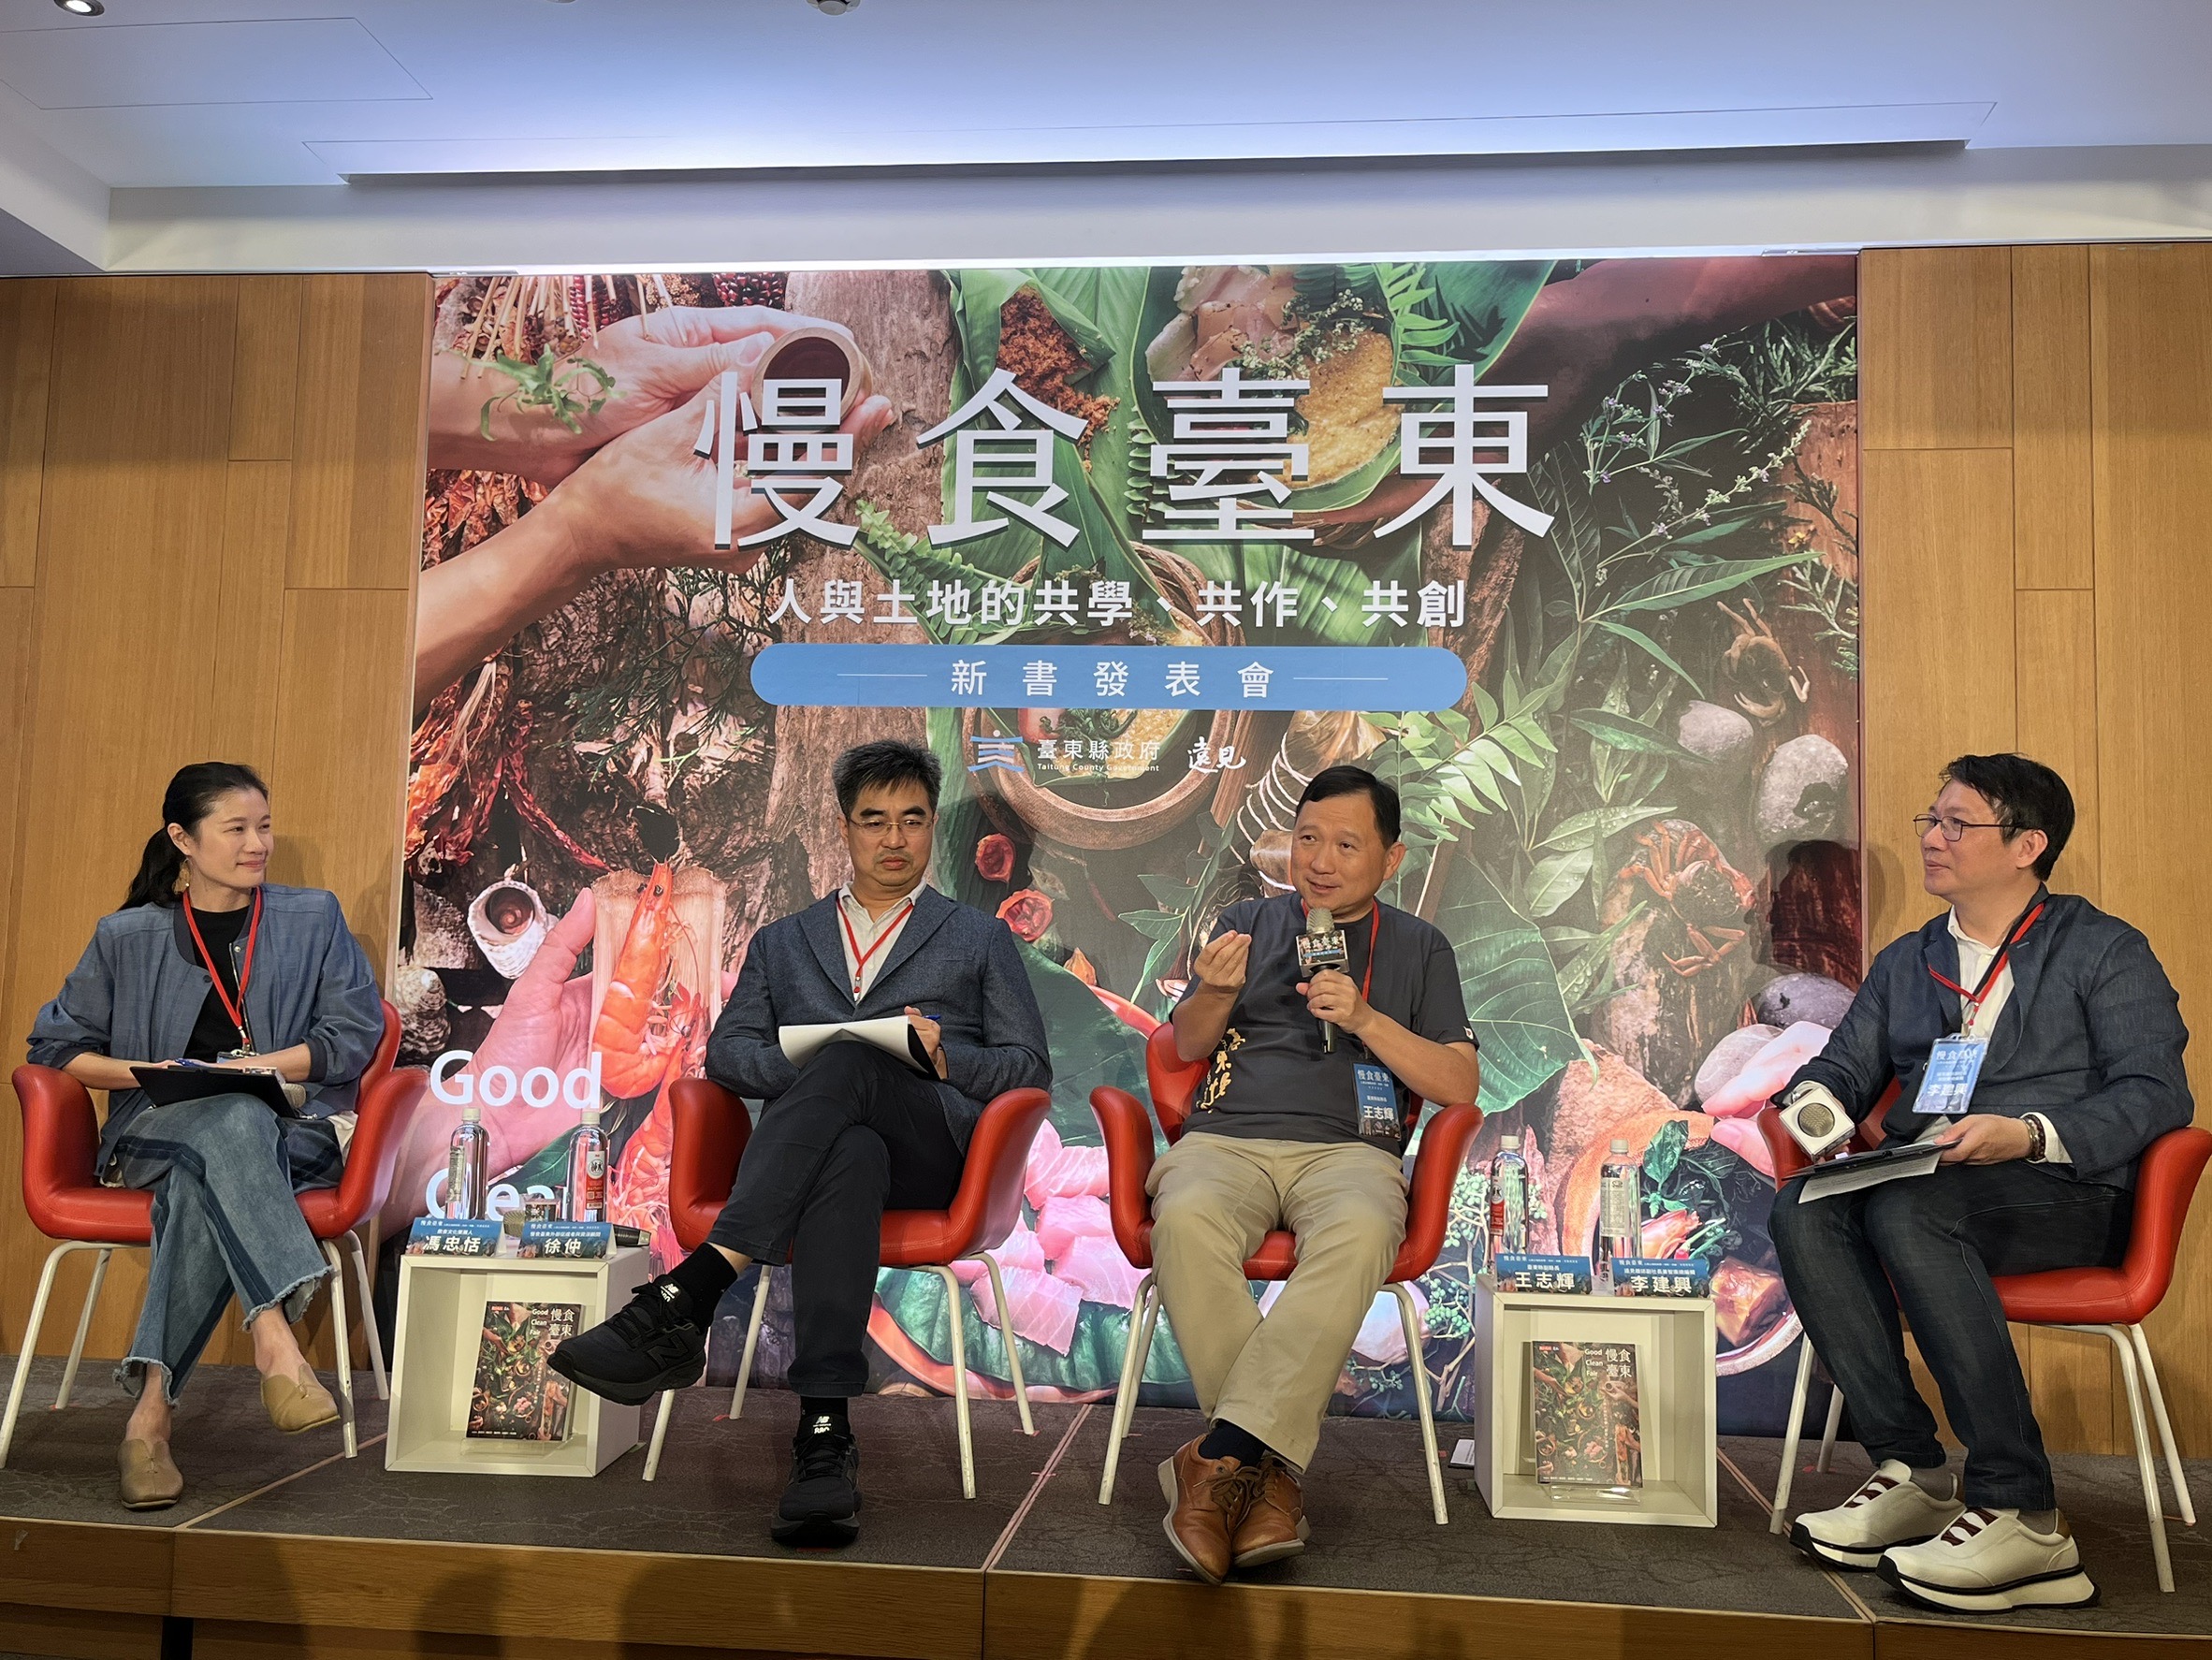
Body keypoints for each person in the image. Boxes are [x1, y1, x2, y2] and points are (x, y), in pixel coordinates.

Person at [551, 739, 1051, 1544]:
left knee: (856, 1064)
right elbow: (729, 1056)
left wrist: (944, 1057)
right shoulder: (784, 942)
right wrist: (808, 1057)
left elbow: (1028, 1065)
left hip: (931, 1154)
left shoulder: (977, 938)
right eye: (874, 820)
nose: (894, 839)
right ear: (845, 828)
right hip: (824, 1161)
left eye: (913, 820)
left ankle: (691, 1292)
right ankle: (824, 1435)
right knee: (849, 1146)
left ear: (932, 828)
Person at [1771, 753, 2192, 1613]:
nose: (1932, 838)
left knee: (1910, 1213)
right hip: (1929, 1184)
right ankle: (1914, 1471)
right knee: (1803, 1209)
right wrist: (1815, 1108)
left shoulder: (2105, 949)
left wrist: (2027, 1133)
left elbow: (2157, 1093)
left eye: (1956, 824)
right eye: (1931, 821)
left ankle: (2023, 1510)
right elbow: (1840, 1070)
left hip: (2067, 1191)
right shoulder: (1909, 959)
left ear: (2027, 845)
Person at [25, 763, 387, 1510]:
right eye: (237, 829)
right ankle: (274, 1335)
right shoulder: (126, 936)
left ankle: (150, 1419)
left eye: (264, 826)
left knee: (228, 1137)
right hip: (155, 1128)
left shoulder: (312, 917)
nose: (258, 844)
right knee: (229, 1123)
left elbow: (353, 1037)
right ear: (183, 840)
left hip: (292, 1128)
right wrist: (145, 1072)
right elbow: (56, 1047)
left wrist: (251, 1069)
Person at [1151, 764, 1479, 1583]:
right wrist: (1213, 992)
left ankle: (1219, 1458)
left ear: (1391, 858)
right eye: (1307, 840)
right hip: (1227, 1140)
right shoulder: (1246, 922)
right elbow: (1186, 1044)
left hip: (1350, 1154)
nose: (1320, 861)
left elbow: (1458, 1084)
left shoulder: (1421, 947)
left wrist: (1366, 1017)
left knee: (1365, 1229)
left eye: (1345, 844)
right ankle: (1267, 1480)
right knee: (1183, 1217)